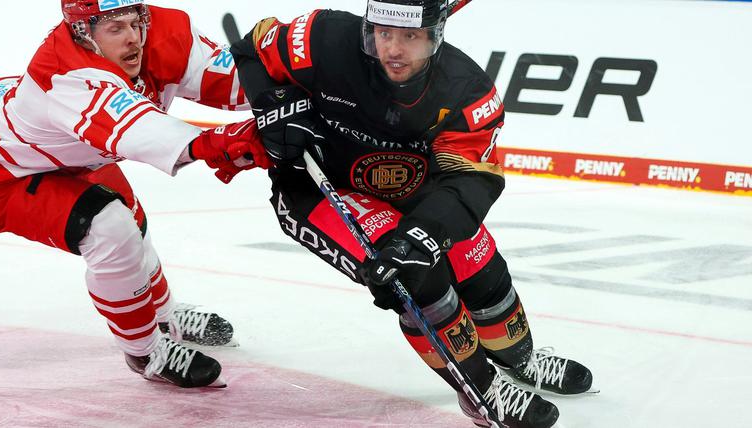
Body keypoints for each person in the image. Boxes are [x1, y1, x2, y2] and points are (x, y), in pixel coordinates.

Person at [231, 0, 592, 425]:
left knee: (480, 270)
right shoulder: (322, 38)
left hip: (416, 192)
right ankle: (480, 389)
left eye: (410, 36)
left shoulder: (467, 90)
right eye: (384, 34)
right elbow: (252, 47)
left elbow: (471, 182)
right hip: (323, 190)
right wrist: (272, 101)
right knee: (418, 279)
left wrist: (421, 237)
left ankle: (521, 360)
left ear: (435, 37)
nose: (394, 50)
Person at [0, 0, 271, 389]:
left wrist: (301, 79)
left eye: (136, 22)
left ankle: (165, 315)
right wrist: (223, 141)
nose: (134, 38)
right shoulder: (66, 74)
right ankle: (145, 351)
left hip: (72, 153)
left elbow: (232, 80)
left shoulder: (160, 34)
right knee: (109, 228)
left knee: (132, 220)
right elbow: (141, 131)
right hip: (0, 172)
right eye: (115, 28)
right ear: (84, 32)